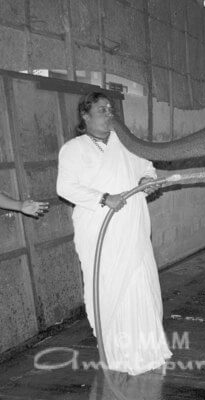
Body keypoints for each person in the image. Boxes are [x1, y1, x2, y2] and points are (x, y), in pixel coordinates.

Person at [57, 92, 171, 375]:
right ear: (85, 115)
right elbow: (66, 188)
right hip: (99, 231)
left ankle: (148, 351)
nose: (108, 114)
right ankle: (119, 354)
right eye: (101, 109)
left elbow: (147, 168)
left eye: (110, 109)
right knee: (109, 288)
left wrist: (147, 181)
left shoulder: (125, 144)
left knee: (139, 283)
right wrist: (104, 197)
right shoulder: (74, 149)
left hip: (132, 228)